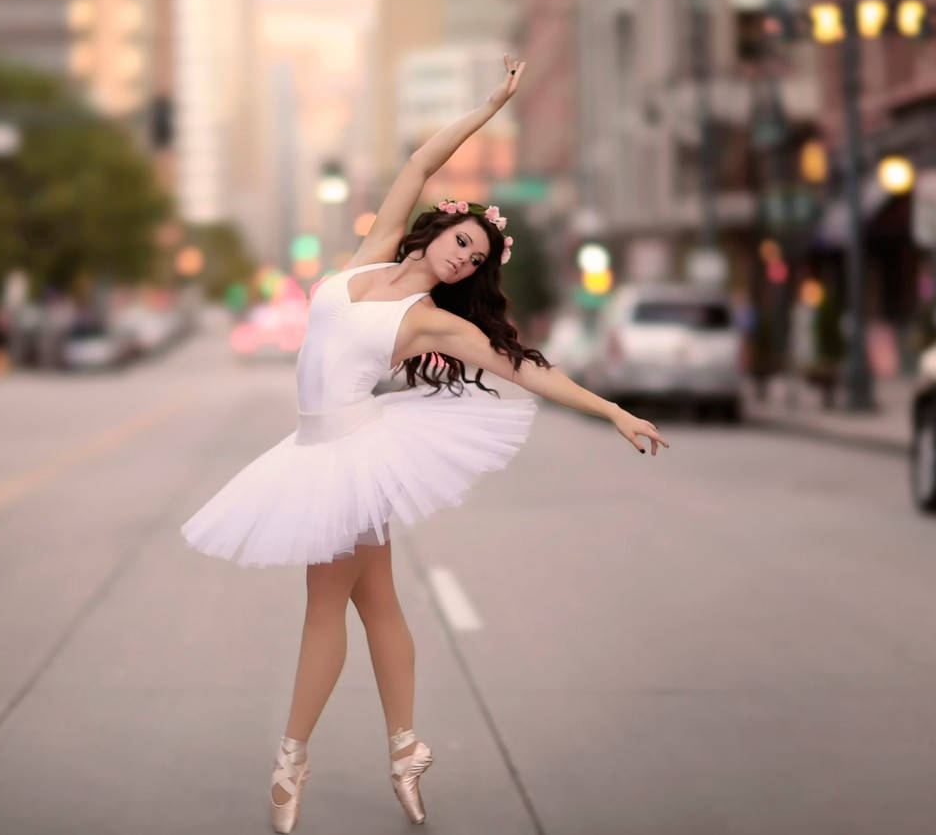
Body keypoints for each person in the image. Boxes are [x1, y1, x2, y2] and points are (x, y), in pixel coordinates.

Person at [179, 54, 668, 833]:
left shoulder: (436, 323)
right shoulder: (365, 261)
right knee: (378, 605)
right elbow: (420, 160)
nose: (465, 258)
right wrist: (490, 105)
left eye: (476, 259)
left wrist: (612, 409)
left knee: (324, 610)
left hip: (347, 457)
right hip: (318, 452)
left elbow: (525, 368)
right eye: (462, 243)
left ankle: (290, 763)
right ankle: (405, 752)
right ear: (440, 229)